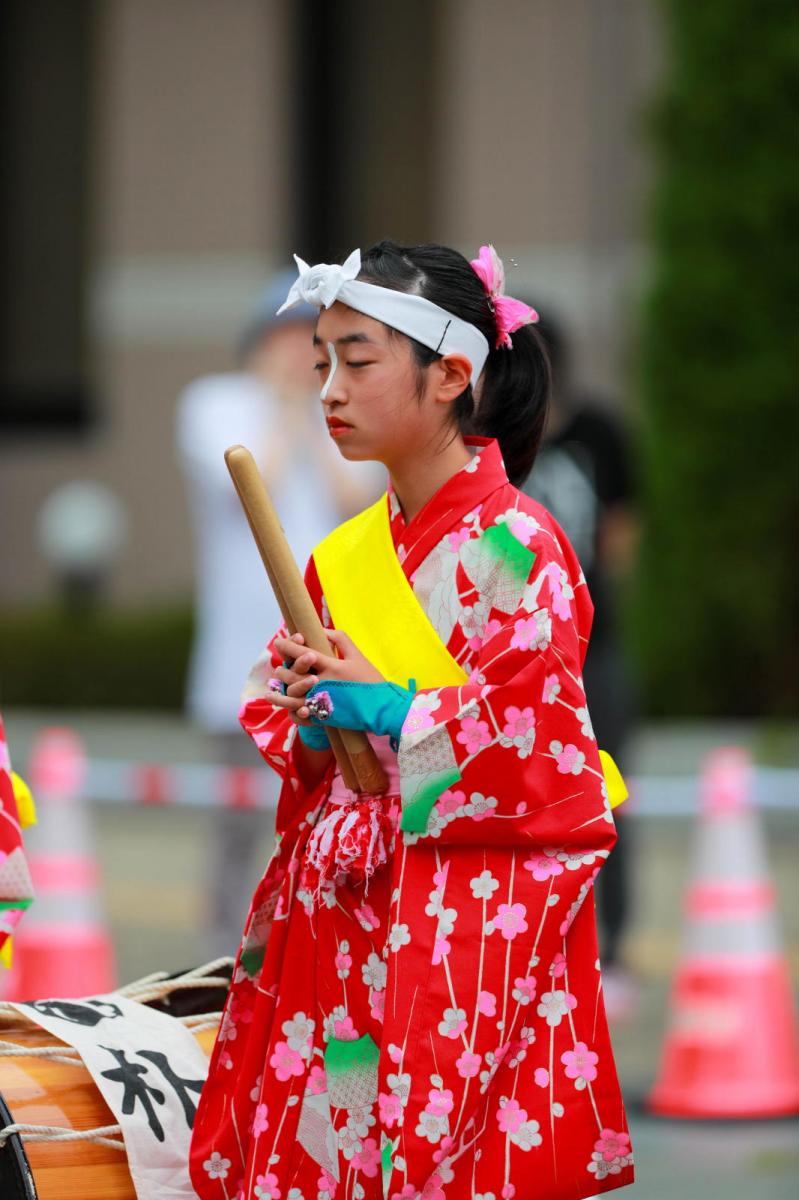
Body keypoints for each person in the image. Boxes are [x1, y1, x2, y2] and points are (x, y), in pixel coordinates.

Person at [189, 242, 633, 1199]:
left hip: (458, 914)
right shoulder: (343, 555)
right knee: (329, 1141)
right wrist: (310, 722)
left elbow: (541, 741)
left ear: (451, 376)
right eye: (321, 364)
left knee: (438, 1153)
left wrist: (400, 716)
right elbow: (288, 716)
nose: (329, 391)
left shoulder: (519, 544)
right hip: (339, 903)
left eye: (357, 360)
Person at [177, 275, 382, 957]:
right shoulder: (215, 402)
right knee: (238, 824)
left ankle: (306, 955)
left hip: (330, 650)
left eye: (315, 344)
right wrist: (287, 408)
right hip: (240, 654)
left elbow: (358, 500)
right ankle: (224, 958)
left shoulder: (341, 410)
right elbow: (248, 481)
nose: (301, 355)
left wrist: (307, 408)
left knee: (327, 813)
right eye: (290, 339)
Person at [520, 311, 638, 1018]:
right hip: (516, 654)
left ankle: (611, 952)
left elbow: (620, 531)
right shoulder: (493, 440)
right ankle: (535, 948)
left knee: (606, 796)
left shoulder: (600, 432)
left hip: (596, 650)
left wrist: (584, 603)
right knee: (524, 801)